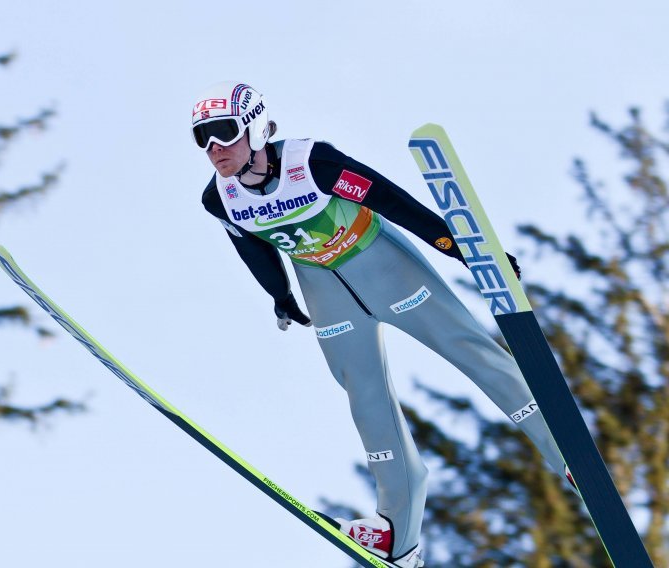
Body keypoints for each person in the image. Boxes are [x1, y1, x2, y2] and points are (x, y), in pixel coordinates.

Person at [193, 81, 573, 568]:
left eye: (223, 134)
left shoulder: (313, 164)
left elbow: (391, 200)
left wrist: (456, 246)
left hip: (382, 264)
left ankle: (564, 452)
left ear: (254, 128)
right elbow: (251, 245)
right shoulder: (218, 198)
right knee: (365, 396)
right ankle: (399, 534)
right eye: (202, 139)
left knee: (466, 347)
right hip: (324, 289)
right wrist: (281, 296)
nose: (214, 149)